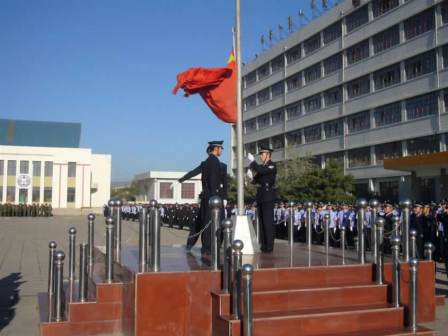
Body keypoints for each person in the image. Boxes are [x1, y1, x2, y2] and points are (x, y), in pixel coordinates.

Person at [180, 140, 227, 256]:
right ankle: (208, 248)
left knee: (202, 221)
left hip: (208, 197)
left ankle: (194, 244)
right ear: (215, 148)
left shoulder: (207, 162)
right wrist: (222, 197)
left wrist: (181, 180)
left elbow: (193, 172)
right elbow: (214, 181)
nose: (221, 150)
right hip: (214, 197)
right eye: (220, 148)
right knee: (210, 222)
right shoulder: (214, 162)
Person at [247, 146, 277, 253]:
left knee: (268, 222)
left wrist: (253, 161)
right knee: (262, 222)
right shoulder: (263, 167)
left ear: (268, 154)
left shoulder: (271, 165)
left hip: (268, 197)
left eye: (262, 154)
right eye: (260, 154)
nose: (260, 156)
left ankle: (269, 245)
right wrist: (251, 178)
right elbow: (256, 180)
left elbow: (260, 170)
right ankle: (264, 244)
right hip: (261, 197)